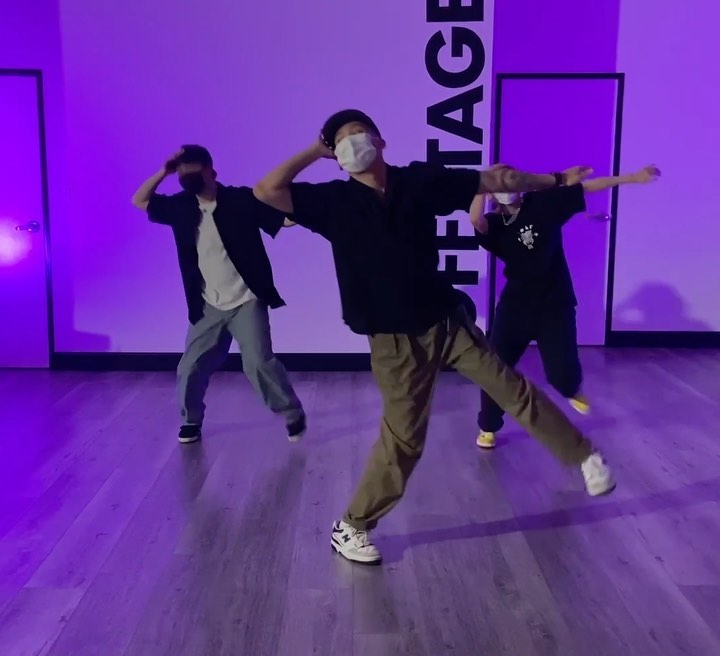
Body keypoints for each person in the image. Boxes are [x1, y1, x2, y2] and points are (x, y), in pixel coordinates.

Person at [253, 109, 614, 565]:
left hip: (448, 322)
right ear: (336, 154)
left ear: (380, 141)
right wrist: (314, 150)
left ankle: (584, 456)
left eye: (358, 132)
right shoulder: (333, 202)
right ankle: (352, 525)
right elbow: (266, 191)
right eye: (341, 140)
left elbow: (495, 179)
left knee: (512, 388)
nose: (351, 142)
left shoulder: (418, 182)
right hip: (395, 342)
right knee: (405, 439)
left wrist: (555, 179)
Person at [471, 165, 661, 450]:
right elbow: (476, 220)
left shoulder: (542, 204)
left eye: (511, 181)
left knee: (561, 371)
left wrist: (633, 178)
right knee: (497, 367)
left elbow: (588, 187)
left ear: (522, 184)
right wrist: (480, 187)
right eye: (497, 184)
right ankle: (488, 425)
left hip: (554, 303)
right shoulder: (494, 223)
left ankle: (571, 388)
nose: (506, 189)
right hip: (515, 306)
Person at [131, 144, 305, 444]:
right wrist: (164, 171)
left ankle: (291, 413)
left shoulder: (241, 200)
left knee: (258, 362)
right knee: (190, 367)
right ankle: (190, 421)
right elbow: (140, 200)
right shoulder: (181, 207)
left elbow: (284, 220)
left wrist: (306, 208)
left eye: (194, 174)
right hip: (207, 303)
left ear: (212, 172)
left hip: (247, 299)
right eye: (183, 176)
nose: (189, 181)